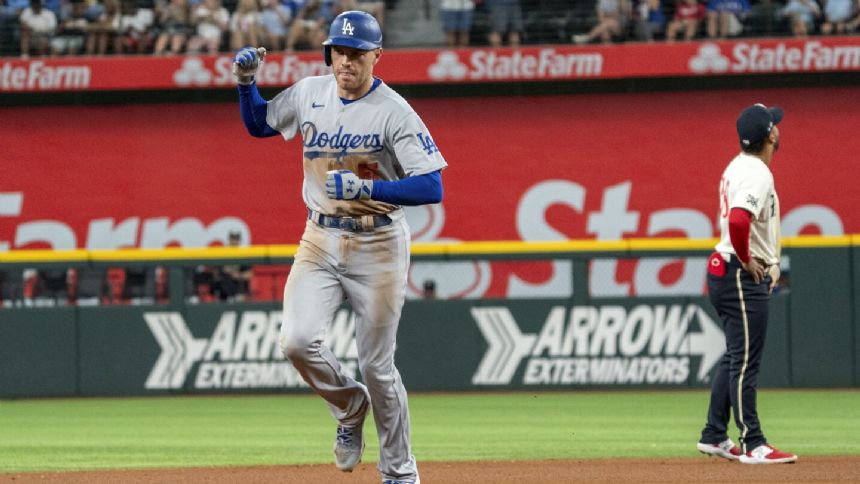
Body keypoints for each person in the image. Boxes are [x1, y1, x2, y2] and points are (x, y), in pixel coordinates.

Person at [232, 10, 446, 483]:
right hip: (320, 238)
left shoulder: (395, 110)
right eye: (337, 52)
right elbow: (260, 126)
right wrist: (247, 85)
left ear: (375, 56)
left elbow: (431, 187)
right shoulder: (311, 92)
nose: (344, 61)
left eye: (354, 53)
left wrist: (370, 191)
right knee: (295, 340)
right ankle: (349, 407)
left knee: (378, 367)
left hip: (380, 242)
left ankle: (399, 472)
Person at [696, 103, 797, 465]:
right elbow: (739, 221)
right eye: (776, 126)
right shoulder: (756, 172)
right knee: (745, 361)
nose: (779, 130)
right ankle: (753, 441)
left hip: (724, 271)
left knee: (735, 357)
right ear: (770, 134)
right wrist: (749, 260)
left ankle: (714, 434)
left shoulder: (738, 165)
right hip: (738, 273)